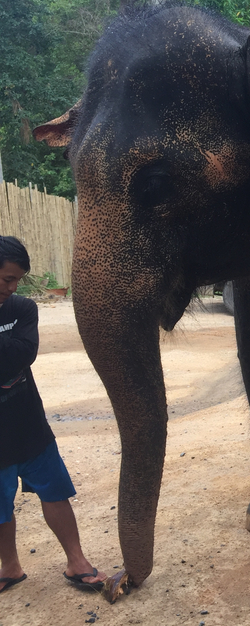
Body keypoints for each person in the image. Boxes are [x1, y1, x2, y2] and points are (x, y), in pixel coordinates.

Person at [0, 236, 107, 593]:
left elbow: (23, 355)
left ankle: (77, 562)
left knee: (55, 492)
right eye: (7, 279)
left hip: (29, 424)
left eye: (16, 281)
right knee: (0, 506)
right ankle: (10, 568)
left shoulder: (22, 309)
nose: (12, 288)